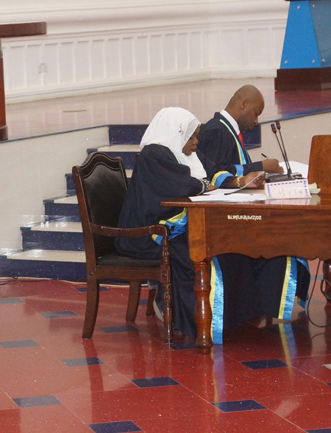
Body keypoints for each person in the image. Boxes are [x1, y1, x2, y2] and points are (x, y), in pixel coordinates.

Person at [116, 107, 308, 343]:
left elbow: (214, 171)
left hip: (172, 226)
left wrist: (240, 181)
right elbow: (182, 185)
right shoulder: (154, 154)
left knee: (231, 243)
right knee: (200, 251)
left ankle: (234, 315)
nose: (196, 142)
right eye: (192, 136)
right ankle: (188, 318)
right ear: (177, 133)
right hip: (148, 234)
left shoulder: (186, 153)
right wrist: (205, 186)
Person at [197, 84, 284, 187]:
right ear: (243, 104)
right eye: (256, 113)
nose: (256, 121)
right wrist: (260, 166)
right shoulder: (217, 131)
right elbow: (216, 174)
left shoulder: (229, 129)